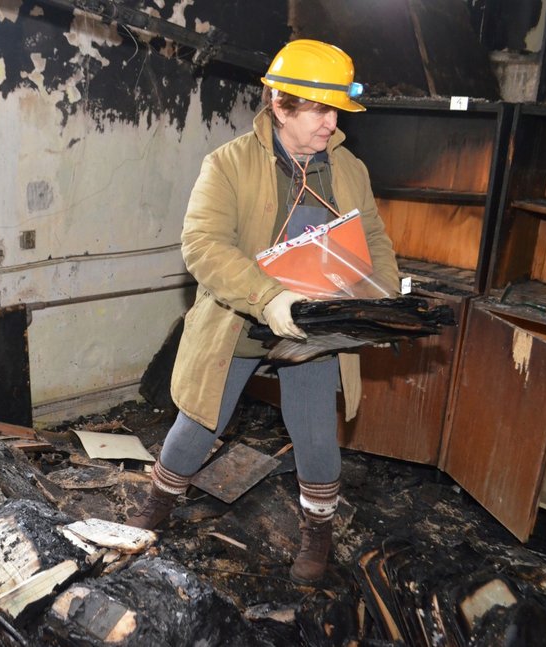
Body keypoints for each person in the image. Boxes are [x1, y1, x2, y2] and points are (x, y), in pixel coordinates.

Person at [126, 40, 399, 585]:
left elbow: (373, 239)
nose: (331, 122)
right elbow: (203, 244)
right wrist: (268, 296)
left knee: (317, 433)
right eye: (320, 109)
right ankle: (158, 503)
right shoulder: (228, 165)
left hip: (314, 326)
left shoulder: (349, 170)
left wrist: (383, 302)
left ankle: (317, 533)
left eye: (337, 109)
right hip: (241, 320)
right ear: (280, 105)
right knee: (199, 423)